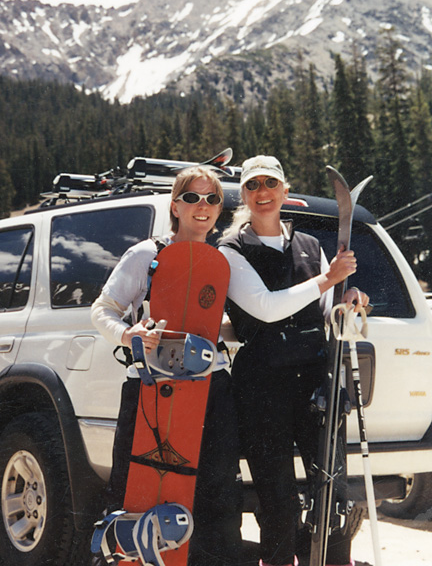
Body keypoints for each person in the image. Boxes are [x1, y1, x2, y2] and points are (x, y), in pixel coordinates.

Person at [218, 155, 369, 566]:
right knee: (277, 493)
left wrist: (348, 300)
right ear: (244, 195)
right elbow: (266, 308)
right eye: (253, 185)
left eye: (270, 183)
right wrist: (329, 279)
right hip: (262, 385)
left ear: (285, 190)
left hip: (314, 380)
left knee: (331, 486)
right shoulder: (231, 251)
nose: (262, 192)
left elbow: (326, 310)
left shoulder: (309, 245)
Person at [91, 165, 242, 566]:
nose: (203, 206)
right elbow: (103, 311)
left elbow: (227, 322)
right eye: (192, 197)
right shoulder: (147, 254)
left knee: (218, 495)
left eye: (212, 198)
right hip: (150, 389)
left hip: (210, 389)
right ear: (175, 205)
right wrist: (130, 334)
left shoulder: (224, 260)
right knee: (136, 492)